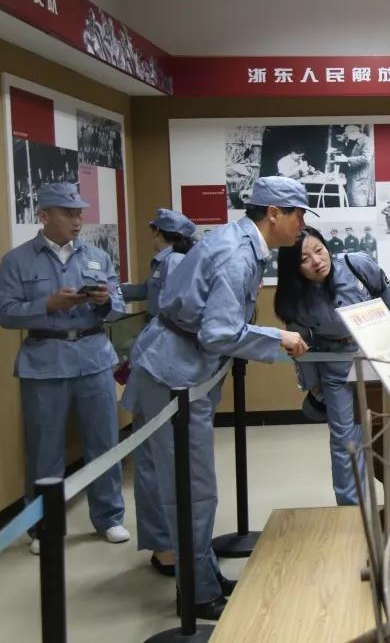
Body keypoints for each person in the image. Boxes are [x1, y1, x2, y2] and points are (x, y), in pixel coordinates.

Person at [127, 177, 310, 620]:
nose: (302, 226)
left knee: (192, 486)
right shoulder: (236, 254)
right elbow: (219, 332)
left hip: (179, 365)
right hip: (174, 373)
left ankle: (203, 575)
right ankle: (196, 594)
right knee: (192, 489)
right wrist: (278, 338)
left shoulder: (240, 244)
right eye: (298, 215)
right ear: (274, 214)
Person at [0, 183, 128, 555]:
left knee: (103, 441)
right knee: (44, 449)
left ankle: (109, 517)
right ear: (44, 216)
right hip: (44, 361)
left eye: (79, 212)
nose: (77, 220)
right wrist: (47, 305)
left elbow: (118, 306)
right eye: (68, 213)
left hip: (94, 357)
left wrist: (105, 301)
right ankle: (44, 528)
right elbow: (5, 313)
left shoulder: (97, 255)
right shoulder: (18, 260)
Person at [275, 226, 390, 505]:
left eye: (319, 250)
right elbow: (302, 348)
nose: (317, 261)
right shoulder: (295, 299)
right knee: (345, 442)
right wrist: (315, 387)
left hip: (379, 358)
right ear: (294, 268)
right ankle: (351, 510)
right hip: (335, 367)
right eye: (304, 259)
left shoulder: (357, 264)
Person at [119, 208, 196, 576]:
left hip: (160, 357)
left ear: (157, 231)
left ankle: (166, 543)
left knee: (154, 458)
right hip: (158, 353)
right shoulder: (170, 261)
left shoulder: (173, 262)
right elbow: (149, 293)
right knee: (156, 455)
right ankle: (167, 541)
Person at [332, 124, 373, 206]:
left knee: (358, 202)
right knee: (352, 200)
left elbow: (366, 158)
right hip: (354, 175)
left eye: (347, 134)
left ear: (354, 132)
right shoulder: (357, 141)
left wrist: (347, 159)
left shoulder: (367, 141)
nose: (347, 137)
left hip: (361, 176)